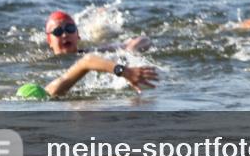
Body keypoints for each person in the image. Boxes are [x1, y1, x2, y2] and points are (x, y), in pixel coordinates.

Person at [17, 11, 158, 99]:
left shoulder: (53, 90)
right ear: (49, 40)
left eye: (70, 29)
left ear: (78, 35)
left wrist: (127, 61)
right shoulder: (39, 61)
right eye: (58, 32)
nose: (65, 34)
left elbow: (87, 60)